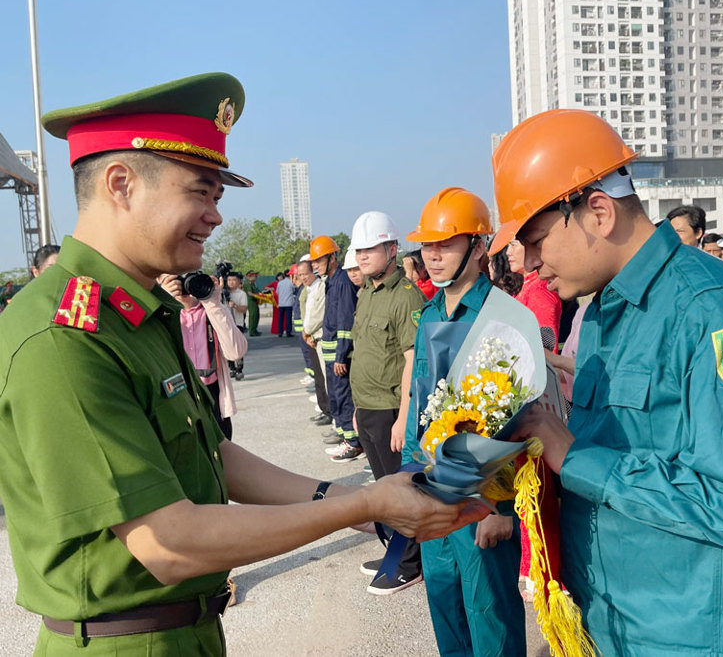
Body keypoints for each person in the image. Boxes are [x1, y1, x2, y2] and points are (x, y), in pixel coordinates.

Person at [0, 73, 481, 656]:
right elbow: (166, 542)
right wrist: (367, 502)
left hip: (186, 632)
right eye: (200, 193)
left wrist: (346, 503)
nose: (215, 217)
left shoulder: (139, 313)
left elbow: (214, 455)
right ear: (121, 184)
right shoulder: (65, 336)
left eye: (217, 198)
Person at [489, 108, 723, 655]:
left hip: (687, 635)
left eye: (535, 239)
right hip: (609, 618)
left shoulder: (717, 311)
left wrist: (572, 455)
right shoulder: (604, 310)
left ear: (598, 212)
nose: (529, 263)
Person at [403, 187, 526, 657]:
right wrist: (410, 480)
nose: (432, 256)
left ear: (479, 247)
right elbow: (422, 403)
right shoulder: (430, 313)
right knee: (446, 608)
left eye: (445, 244)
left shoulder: (504, 317)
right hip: (434, 491)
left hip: (481, 499)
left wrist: (500, 508)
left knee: (489, 615)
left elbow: (517, 421)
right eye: (426, 245)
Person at [350, 210, 425, 594]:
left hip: (390, 411)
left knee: (401, 490)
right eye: (359, 249)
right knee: (383, 490)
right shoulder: (365, 292)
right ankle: (392, 554)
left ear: (392, 249)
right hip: (367, 407)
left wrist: (403, 417)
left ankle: (409, 563)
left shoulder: (405, 297)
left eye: (371, 249)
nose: (362, 256)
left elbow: (412, 360)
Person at [159, 272, 247, 440]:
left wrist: (213, 304)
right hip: (176, 395)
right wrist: (162, 301)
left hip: (211, 394)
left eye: (187, 278)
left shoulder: (211, 310)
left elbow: (236, 352)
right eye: (175, 279)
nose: (183, 285)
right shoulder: (161, 313)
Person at [314, 230, 362, 461]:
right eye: (314, 261)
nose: (316, 265)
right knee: (336, 395)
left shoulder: (342, 282)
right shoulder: (331, 281)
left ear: (333, 258)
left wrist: (342, 356)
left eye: (319, 260)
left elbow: (345, 322)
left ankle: (354, 443)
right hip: (332, 351)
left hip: (339, 354)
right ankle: (347, 439)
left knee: (344, 397)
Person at [297, 254, 333, 428]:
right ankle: (324, 409)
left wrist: (307, 332)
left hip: (317, 336)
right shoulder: (308, 289)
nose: (302, 278)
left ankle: (329, 412)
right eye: (300, 275)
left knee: (325, 378)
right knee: (318, 377)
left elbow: (318, 315)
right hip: (310, 337)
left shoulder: (321, 287)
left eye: (305, 274)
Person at [505, 239, 561, 349]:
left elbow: (545, 350)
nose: (508, 252)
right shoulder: (529, 285)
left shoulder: (539, 291)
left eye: (513, 245)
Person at [225, 272, 248, 380]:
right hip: (225, 324)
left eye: (234, 280)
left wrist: (234, 306)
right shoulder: (223, 294)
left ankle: (239, 368)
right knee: (227, 346)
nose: (231, 282)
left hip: (238, 323)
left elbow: (244, 309)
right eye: (229, 280)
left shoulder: (241, 294)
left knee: (238, 347)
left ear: (239, 281)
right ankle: (231, 368)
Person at [275, 269, 295, 337]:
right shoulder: (291, 283)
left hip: (281, 303)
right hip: (289, 303)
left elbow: (277, 292)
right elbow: (293, 290)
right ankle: (288, 332)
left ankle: (280, 332)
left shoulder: (280, 283)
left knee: (281, 318)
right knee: (288, 318)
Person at [242, 270, 261, 336]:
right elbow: (250, 293)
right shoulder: (248, 283)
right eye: (255, 277)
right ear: (251, 277)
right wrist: (257, 296)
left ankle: (255, 330)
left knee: (256, 315)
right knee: (253, 316)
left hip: (254, 301)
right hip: (250, 301)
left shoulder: (252, 284)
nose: (256, 278)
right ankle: (252, 331)